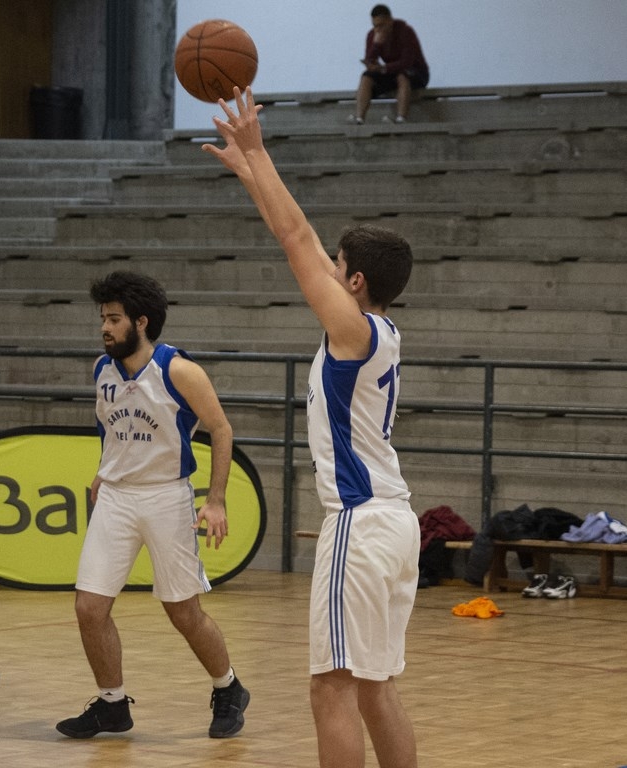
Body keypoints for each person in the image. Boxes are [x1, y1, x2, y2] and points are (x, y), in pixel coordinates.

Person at [204, 88, 420, 768]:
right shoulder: (380, 330)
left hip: (359, 523)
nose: (326, 266)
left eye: (337, 264)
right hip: (396, 523)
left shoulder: (352, 331)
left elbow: (296, 239)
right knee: (375, 687)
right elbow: (296, 235)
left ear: (353, 281)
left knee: (331, 688)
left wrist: (260, 152)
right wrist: (250, 174)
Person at [55, 271, 250, 740]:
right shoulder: (102, 370)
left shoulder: (178, 370)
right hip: (116, 498)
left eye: (114, 319)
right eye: (103, 318)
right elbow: (113, 430)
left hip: (166, 497)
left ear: (140, 322)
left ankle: (228, 688)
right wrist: (104, 471)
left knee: (183, 612)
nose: (104, 327)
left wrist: (216, 500)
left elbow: (221, 429)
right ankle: (111, 704)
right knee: (89, 607)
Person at [349, 4, 429, 124]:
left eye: (381, 25)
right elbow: (369, 60)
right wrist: (376, 46)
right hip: (391, 72)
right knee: (366, 77)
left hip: (416, 72)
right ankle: (359, 118)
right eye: (375, 26)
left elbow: (407, 62)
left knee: (402, 76)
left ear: (390, 21)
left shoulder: (405, 32)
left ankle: (401, 118)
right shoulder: (372, 35)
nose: (378, 29)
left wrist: (384, 68)